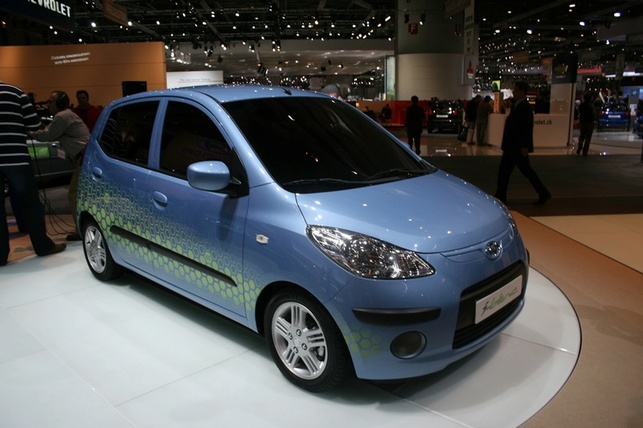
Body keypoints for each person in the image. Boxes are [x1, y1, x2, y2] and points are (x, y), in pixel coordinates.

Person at [0, 81, 66, 265]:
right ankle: (42, 246)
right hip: (16, 157)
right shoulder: (14, 92)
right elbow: (34, 123)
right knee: (30, 203)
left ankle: (0, 255)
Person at [29, 90, 90, 241]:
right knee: (82, 196)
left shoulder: (62, 116)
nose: (47, 104)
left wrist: (29, 133)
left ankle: (80, 230)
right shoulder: (67, 115)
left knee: (74, 194)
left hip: (84, 160)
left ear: (60, 103)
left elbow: (47, 135)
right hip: (85, 158)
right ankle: (83, 227)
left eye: (50, 101)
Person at [494, 81, 551, 205]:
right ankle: (501, 195)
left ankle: (501, 195)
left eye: (515, 90)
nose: (513, 92)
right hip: (513, 146)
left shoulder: (524, 107)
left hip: (516, 147)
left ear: (522, 92)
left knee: (512, 171)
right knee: (520, 171)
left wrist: (525, 146)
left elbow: (527, 128)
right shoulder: (518, 105)